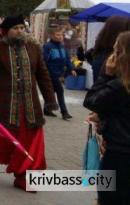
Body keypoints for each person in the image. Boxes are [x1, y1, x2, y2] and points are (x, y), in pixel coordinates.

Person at [0, 16, 58, 191]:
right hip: (5, 105)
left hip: (30, 108)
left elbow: (43, 75)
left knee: (30, 143)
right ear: (6, 31)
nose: (20, 31)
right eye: (15, 28)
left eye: (22, 27)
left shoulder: (34, 49)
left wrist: (50, 100)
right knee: (0, 139)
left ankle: (23, 176)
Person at [84, 31, 130, 205]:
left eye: (115, 51)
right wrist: (104, 115)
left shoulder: (122, 84)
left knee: (109, 197)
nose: (112, 55)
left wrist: (106, 75)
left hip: (120, 152)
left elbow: (91, 101)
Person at [42, 26, 76, 120]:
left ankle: (46, 109)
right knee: (60, 91)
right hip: (51, 74)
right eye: (58, 35)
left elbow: (67, 59)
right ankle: (64, 112)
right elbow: (44, 61)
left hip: (59, 73)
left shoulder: (62, 46)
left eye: (61, 34)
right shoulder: (47, 47)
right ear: (51, 35)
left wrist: (71, 68)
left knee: (51, 92)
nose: (60, 36)